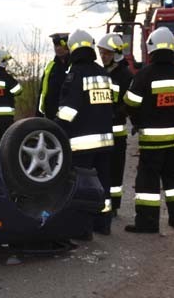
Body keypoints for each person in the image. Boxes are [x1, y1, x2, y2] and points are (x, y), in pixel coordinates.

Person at [123, 27, 174, 233]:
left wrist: (135, 114)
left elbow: (131, 102)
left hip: (152, 140)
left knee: (148, 184)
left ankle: (147, 223)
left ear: (151, 47)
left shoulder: (145, 74)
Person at [54, 29, 115, 236]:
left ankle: (83, 228)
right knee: (103, 184)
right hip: (105, 141)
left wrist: (56, 127)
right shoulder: (103, 73)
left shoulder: (75, 74)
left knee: (82, 186)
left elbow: (69, 111)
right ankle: (103, 224)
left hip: (82, 144)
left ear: (73, 49)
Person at [97, 33, 134, 216]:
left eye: (107, 53)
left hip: (117, 132)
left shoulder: (125, 75)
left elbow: (129, 102)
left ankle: (114, 205)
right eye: (101, 53)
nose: (103, 57)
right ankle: (102, 203)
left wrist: (117, 113)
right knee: (101, 170)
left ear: (116, 54)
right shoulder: (99, 73)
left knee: (115, 171)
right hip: (100, 131)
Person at [0, 50, 22, 145]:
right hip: (6, 115)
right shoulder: (5, 76)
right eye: (6, 61)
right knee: (8, 139)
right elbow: (18, 90)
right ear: (2, 62)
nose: (7, 64)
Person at [36, 33, 70, 119]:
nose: (57, 48)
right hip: (51, 115)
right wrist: (39, 114)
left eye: (60, 45)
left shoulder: (75, 65)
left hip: (70, 115)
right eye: (55, 45)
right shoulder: (50, 67)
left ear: (67, 45)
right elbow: (43, 92)